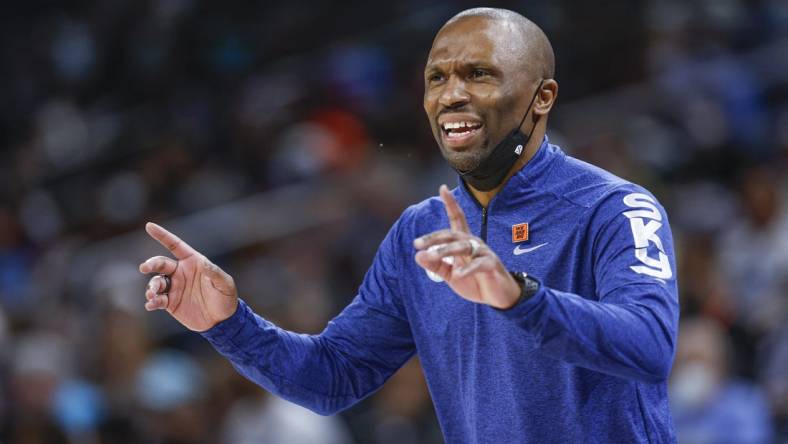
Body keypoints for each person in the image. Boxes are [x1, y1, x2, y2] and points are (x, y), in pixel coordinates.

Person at [139, 8, 679, 443]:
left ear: (543, 97)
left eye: (479, 74)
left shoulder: (615, 208)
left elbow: (650, 345)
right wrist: (229, 324)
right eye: (436, 77)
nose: (451, 95)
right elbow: (332, 377)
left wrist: (519, 296)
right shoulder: (418, 233)